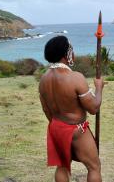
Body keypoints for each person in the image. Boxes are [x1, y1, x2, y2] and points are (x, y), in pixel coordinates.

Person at [39, 35, 104, 182]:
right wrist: (99, 88)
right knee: (94, 167)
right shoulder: (75, 77)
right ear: (67, 54)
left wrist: (59, 125)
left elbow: (45, 109)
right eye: (71, 50)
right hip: (76, 130)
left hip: (56, 127)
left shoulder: (43, 79)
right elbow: (93, 108)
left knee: (62, 166)